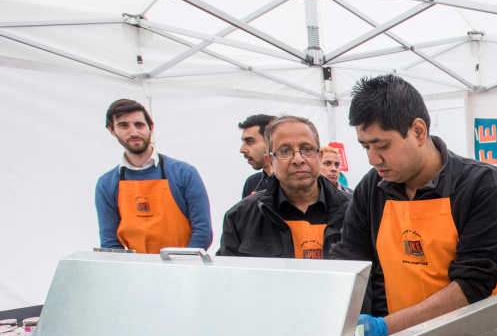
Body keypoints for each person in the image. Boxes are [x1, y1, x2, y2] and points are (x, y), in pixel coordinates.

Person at [331, 74, 497, 336]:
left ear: (418, 130)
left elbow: (472, 283)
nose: (373, 159)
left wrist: (385, 328)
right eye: (365, 147)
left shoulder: (482, 185)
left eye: (382, 145)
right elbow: (351, 258)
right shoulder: (372, 189)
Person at [218, 116, 350, 259]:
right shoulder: (240, 217)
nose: (298, 159)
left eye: (306, 149)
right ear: (270, 161)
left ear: (319, 156)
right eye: (285, 151)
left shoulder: (354, 211)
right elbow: (227, 277)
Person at [95, 98, 212, 253]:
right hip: (135, 271)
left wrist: (183, 265)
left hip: (185, 268)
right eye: (124, 125)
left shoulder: (184, 173)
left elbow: (203, 232)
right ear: (111, 130)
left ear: (151, 127)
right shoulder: (107, 184)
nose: (134, 132)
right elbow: (110, 243)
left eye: (139, 125)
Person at [239, 114, 275, 197]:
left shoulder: (297, 182)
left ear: (271, 142)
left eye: (250, 141)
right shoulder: (252, 183)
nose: (242, 149)